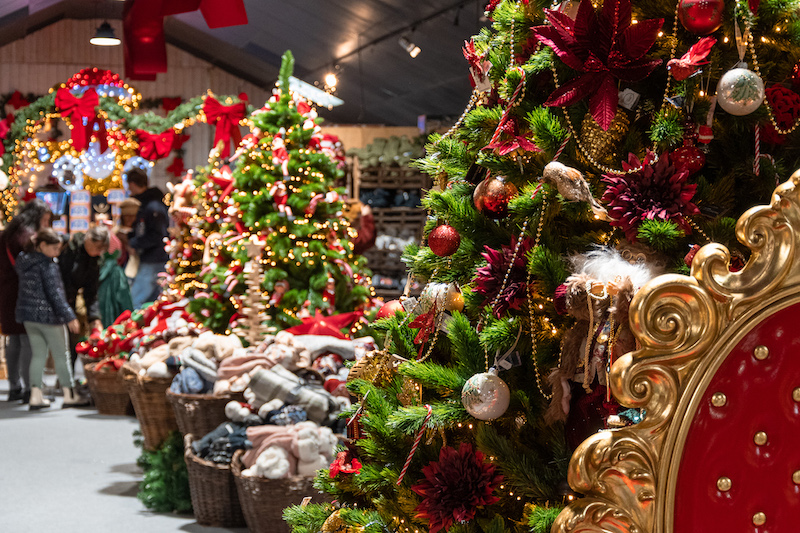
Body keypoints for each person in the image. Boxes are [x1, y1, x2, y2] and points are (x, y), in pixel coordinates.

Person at [15, 229, 87, 409]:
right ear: (42, 245)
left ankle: (35, 396)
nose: (57, 252)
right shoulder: (48, 265)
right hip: (49, 317)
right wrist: (69, 316)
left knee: (38, 355)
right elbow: (55, 294)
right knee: (61, 355)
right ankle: (69, 395)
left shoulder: (25, 261)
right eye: (54, 248)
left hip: (28, 316)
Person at [0, 199, 52, 402]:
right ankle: (31, 388)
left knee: (13, 339)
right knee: (27, 340)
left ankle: (14, 386)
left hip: (6, 291)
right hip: (24, 292)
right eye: (46, 220)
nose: (47, 225)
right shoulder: (28, 236)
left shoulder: (7, 233)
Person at [58, 225, 109, 369]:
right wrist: (68, 313)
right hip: (57, 298)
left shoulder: (95, 260)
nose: (99, 252)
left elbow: (91, 291)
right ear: (89, 240)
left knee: (74, 338)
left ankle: (69, 380)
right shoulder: (68, 247)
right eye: (98, 248)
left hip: (71, 300)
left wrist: (95, 318)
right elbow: (60, 280)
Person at [126, 168, 169, 308]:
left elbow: (157, 235)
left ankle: (132, 327)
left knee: (137, 300)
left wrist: (134, 242)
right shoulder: (147, 204)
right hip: (150, 258)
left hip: (154, 259)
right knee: (150, 301)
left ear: (132, 184)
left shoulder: (153, 206)